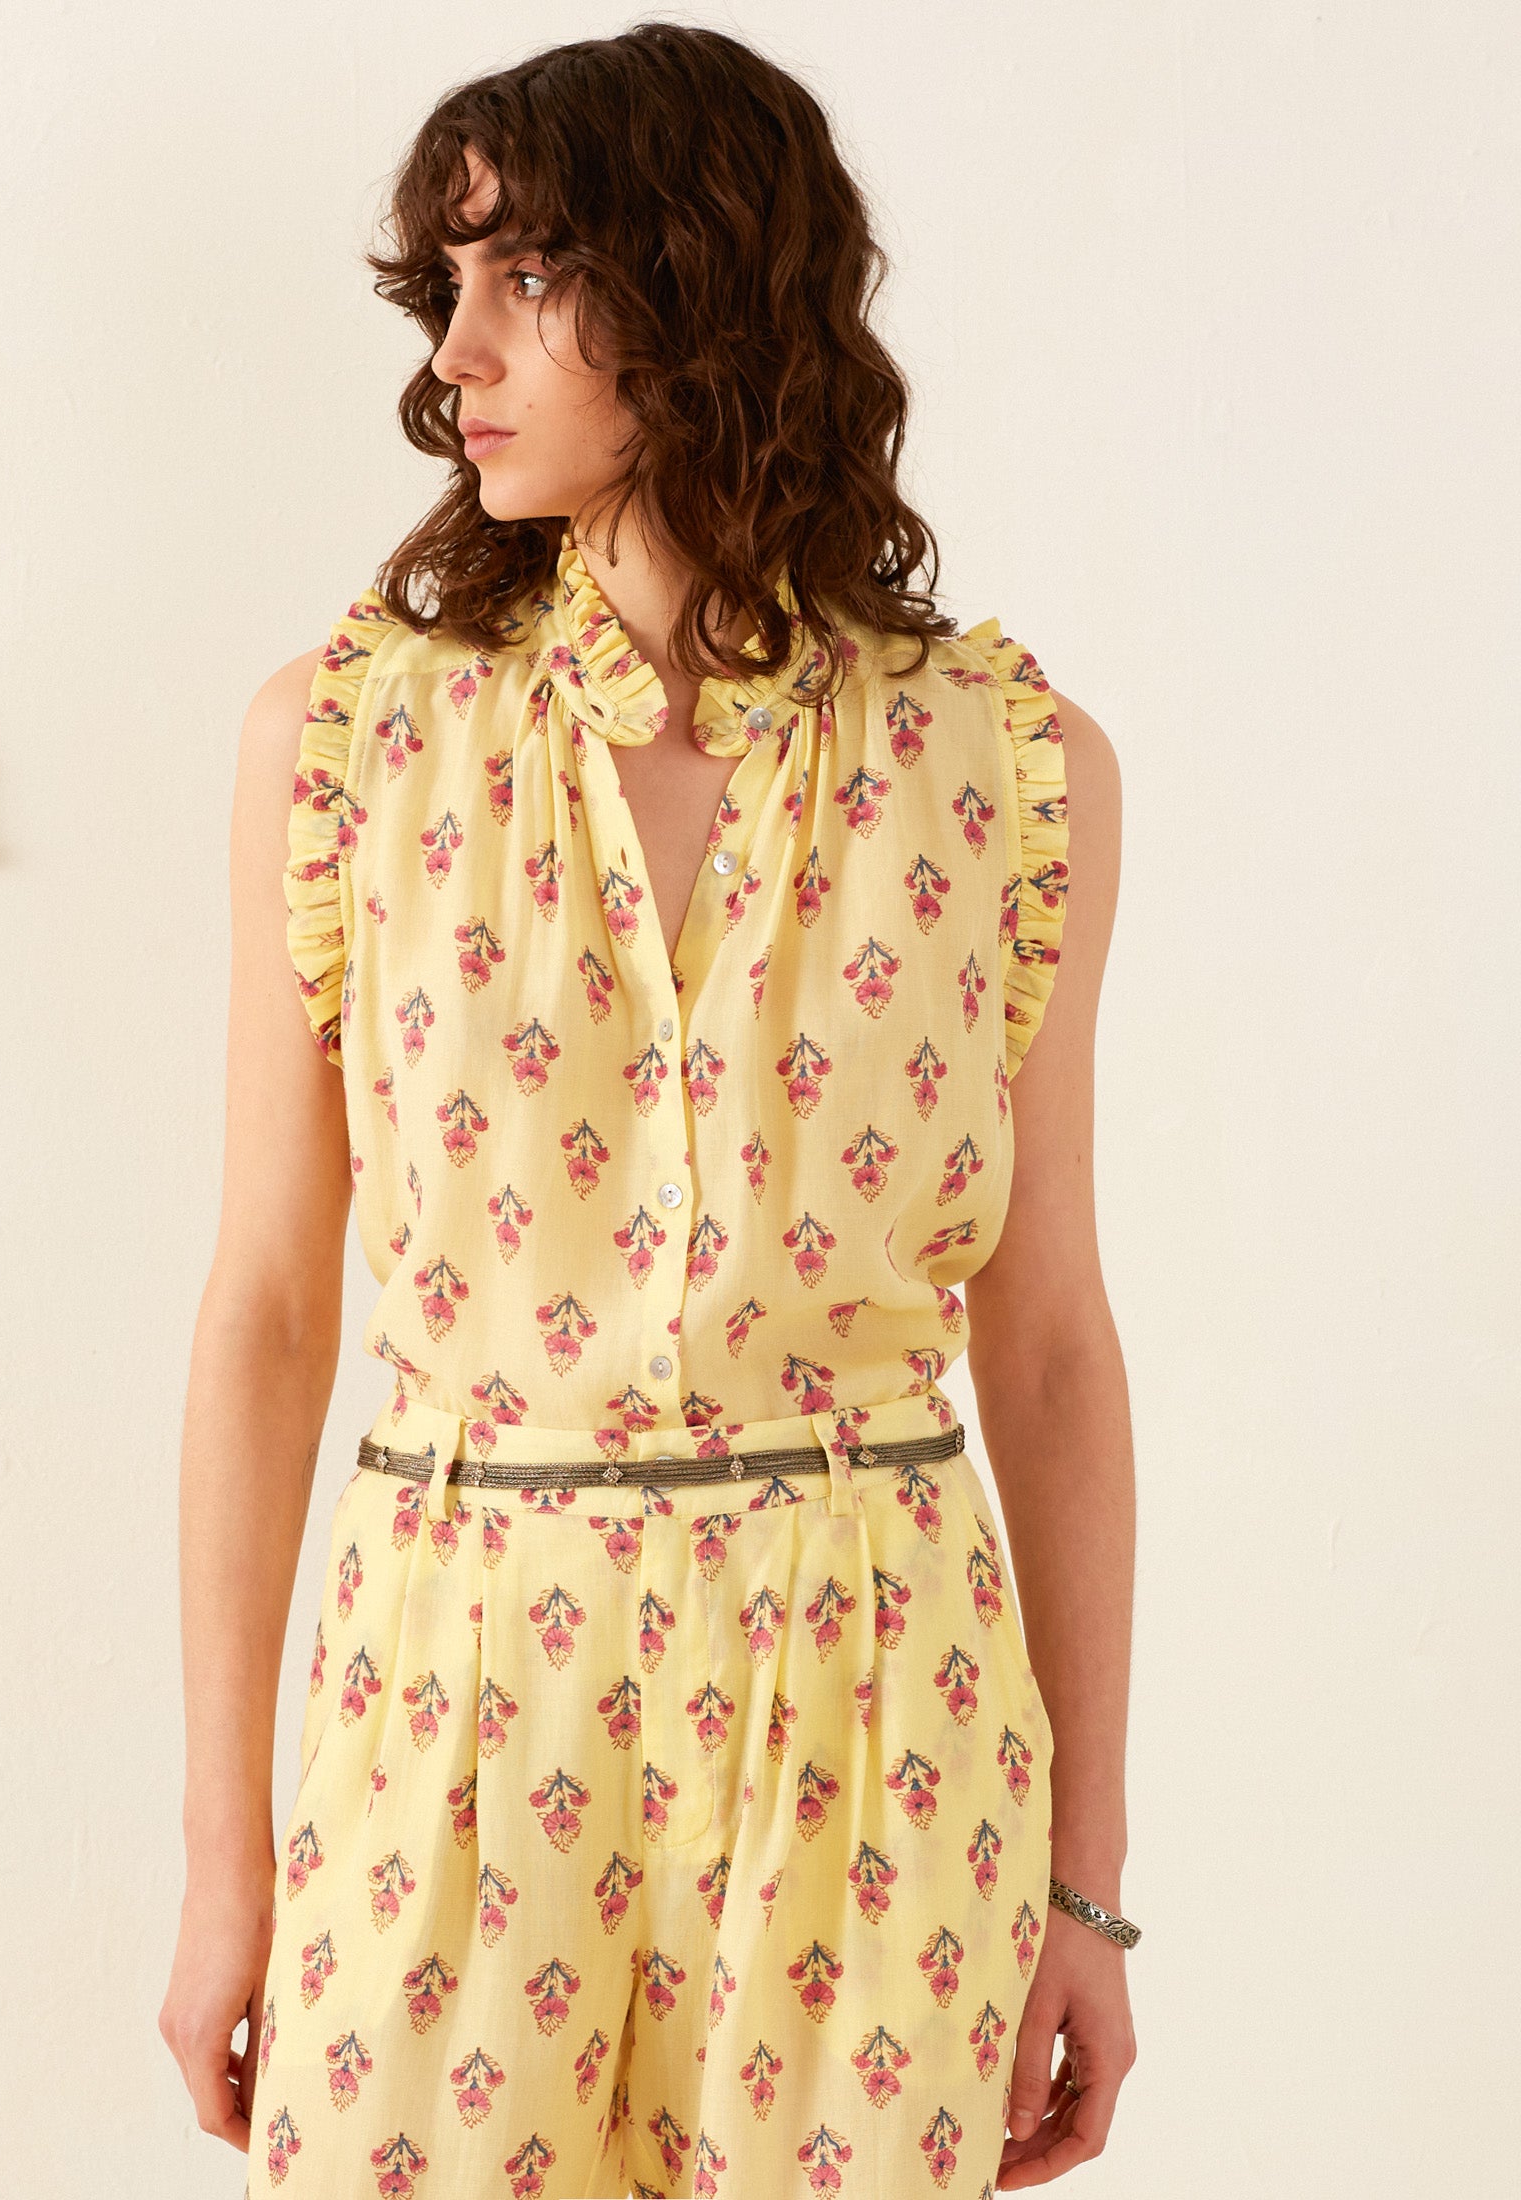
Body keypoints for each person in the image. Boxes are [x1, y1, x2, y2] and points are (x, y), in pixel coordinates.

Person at [160, 23, 1136, 2197]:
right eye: (446, 292)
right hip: (455, 1702)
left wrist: (1087, 1886)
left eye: (525, 280)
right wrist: (231, 1854)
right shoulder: (341, 751)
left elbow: (1049, 1339)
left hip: (883, 1727)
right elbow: (262, 1313)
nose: (455, 359)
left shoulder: (1013, 769)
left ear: (697, 287)